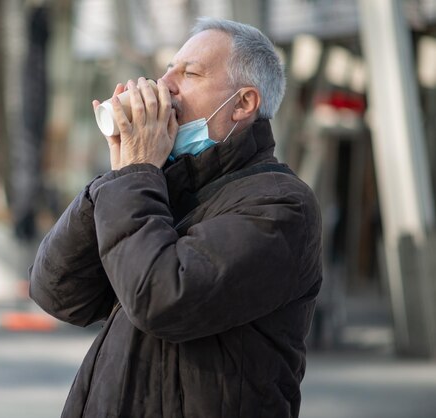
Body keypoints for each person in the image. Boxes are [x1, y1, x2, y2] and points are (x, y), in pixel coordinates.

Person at [29, 17, 322, 418]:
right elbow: (58, 292)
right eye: (168, 68)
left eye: (190, 73)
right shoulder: (160, 186)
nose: (164, 83)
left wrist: (135, 175)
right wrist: (118, 179)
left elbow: (161, 298)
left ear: (242, 103)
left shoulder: (282, 206)